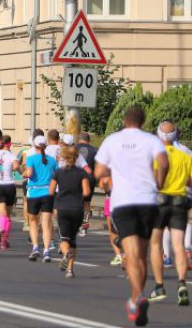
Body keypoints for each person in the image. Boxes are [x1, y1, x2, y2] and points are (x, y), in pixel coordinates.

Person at [95, 106, 169, 327]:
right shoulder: (151, 140)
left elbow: (98, 172)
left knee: (132, 254)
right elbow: (164, 162)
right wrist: (159, 182)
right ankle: (138, 298)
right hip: (148, 201)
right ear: (143, 121)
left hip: (124, 202)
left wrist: (111, 176)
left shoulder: (112, 140)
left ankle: (137, 298)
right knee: (143, 255)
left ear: (125, 120)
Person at [148, 120, 192, 305]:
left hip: (159, 201)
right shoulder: (185, 157)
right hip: (180, 201)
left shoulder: (155, 156)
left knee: (156, 243)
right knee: (178, 244)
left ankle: (159, 285)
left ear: (158, 135)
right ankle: (182, 282)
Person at [50, 146, 91, 278]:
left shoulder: (58, 172)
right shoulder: (81, 173)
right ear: (76, 157)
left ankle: (66, 253)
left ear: (63, 157)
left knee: (64, 239)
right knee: (72, 240)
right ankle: (70, 269)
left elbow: (51, 191)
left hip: (62, 208)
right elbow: (86, 192)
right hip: (77, 209)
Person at [24, 135, 57, 262]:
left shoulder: (31, 158)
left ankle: (35, 247)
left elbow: (30, 173)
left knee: (33, 222)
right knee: (46, 223)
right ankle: (47, 250)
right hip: (48, 192)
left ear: (34, 146)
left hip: (34, 193)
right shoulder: (52, 160)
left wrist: (25, 173)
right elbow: (56, 175)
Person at [0, 135, 18, 250]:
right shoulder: (12, 155)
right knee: (8, 215)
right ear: (10, 144)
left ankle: (2, 230)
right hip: (10, 185)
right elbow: (16, 166)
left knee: (2, 214)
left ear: (0, 143)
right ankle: (5, 238)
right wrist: (11, 169)